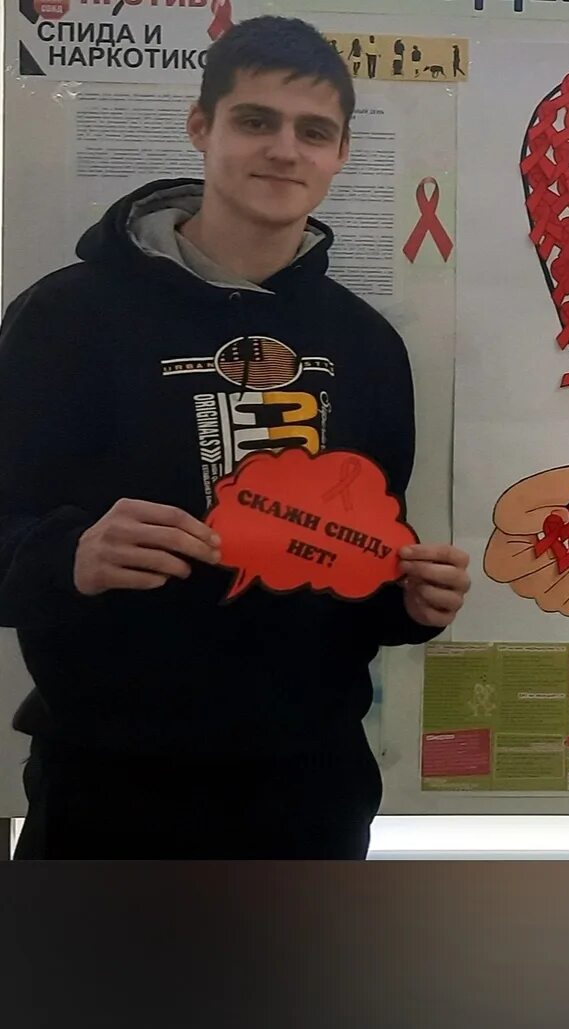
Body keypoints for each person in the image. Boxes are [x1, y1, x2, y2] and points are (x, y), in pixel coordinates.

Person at [0, 17, 471, 859]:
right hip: (108, 786)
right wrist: (67, 555)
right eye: (256, 120)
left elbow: (363, 560)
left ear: (340, 153)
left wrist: (408, 603)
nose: (285, 150)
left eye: (314, 131)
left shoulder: (365, 343)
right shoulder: (63, 318)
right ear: (201, 127)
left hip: (310, 787)